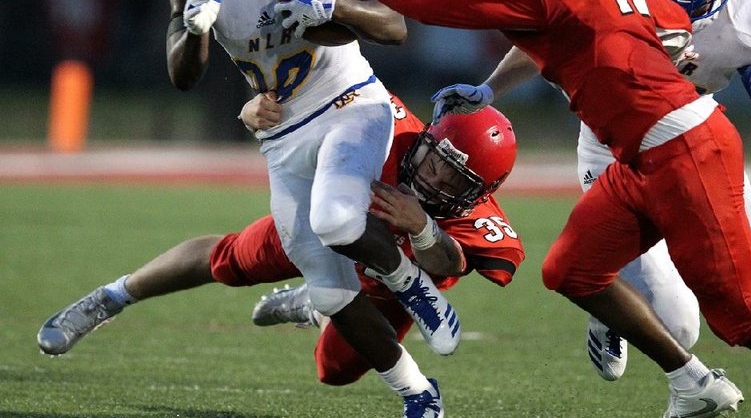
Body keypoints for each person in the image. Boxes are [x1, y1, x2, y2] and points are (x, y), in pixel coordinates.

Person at [271, 0, 751, 417]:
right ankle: (691, 383)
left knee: (740, 312)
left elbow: (433, 6)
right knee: (571, 269)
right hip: (638, 151)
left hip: (681, 147)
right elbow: (652, 21)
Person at [38, 0, 456, 418]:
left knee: (338, 219)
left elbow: (393, 26)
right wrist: (196, 28)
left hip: (349, 103)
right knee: (332, 288)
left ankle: (412, 286)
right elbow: (183, 73)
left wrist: (333, 3)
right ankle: (418, 393)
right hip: (280, 129)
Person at [432, 0, 751, 403]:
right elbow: (547, 38)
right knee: (679, 325)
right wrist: (490, 88)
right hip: (616, 149)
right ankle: (612, 311)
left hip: (696, 145)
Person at [36, 95, 524, 391]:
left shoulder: (484, 224)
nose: (434, 176)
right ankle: (110, 297)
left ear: (480, 193)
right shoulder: (383, 121)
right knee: (229, 259)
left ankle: (315, 304)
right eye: (436, 157)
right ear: (429, 137)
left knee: (334, 371)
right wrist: (255, 108)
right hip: (321, 228)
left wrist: (422, 228)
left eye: (455, 178)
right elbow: (302, 91)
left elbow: (452, 262)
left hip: (386, 291)